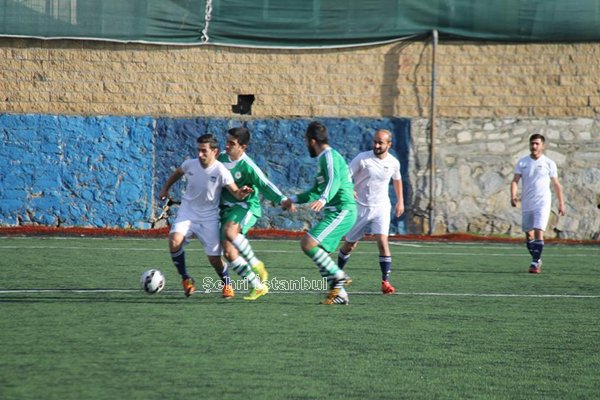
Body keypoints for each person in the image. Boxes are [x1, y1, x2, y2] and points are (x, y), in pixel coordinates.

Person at [159, 134, 268, 300]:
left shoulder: (221, 170)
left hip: (209, 217)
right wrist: (165, 189)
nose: (200, 154)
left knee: (214, 259)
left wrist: (242, 192)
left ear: (214, 152)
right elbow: (178, 172)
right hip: (187, 213)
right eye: (198, 150)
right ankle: (186, 279)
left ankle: (226, 284)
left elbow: (235, 193)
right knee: (174, 241)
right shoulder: (190, 164)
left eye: (204, 151)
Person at [282, 121, 357, 305]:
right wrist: (293, 200)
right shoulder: (326, 159)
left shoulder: (329, 156)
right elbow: (315, 190)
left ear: (312, 141)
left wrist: (324, 199)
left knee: (308, 243)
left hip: (342, 210)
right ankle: (340, 294)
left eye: (307, 141)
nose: (307, 145)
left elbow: (334, 180)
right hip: (338, 211)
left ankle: (338, 276)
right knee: (320, 252)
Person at [218, 127, 292, 298]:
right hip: (226, 208)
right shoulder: (220, 158)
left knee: (229, 232)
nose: (227, 146)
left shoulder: (248, 166)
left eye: (232, 143)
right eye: (227, 141)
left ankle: (256, 264)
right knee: (229, 253)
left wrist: (282, 200)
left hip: (245, 207)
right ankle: (257, 285)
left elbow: (265, 184)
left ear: (243, 147)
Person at [336, 129, 404, 294]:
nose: (377, 145)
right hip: (360, 207)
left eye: (381, 142)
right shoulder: (362, 158)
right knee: (350, 245)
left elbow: (397, 180)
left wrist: (400, 201)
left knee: (382, 241)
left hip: (381, 207)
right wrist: (349, 188)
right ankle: (336, 275)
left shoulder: (394, 162)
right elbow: (345, 175)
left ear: (389, 144)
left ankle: (385, 282)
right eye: (375, 142)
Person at [510, 133, 565, 273]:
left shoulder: (549, 163)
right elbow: (515, 180)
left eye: (537, 144)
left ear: (543, 146)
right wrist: (513, 196)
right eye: (532, 143)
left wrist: (561, 203)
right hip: (528, 202)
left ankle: (534, 263)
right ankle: (537, 258)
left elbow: (556, 184)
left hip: (543, 202)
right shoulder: (523, 162)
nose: (534, 146)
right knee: (529, 235)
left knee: (538, 231)